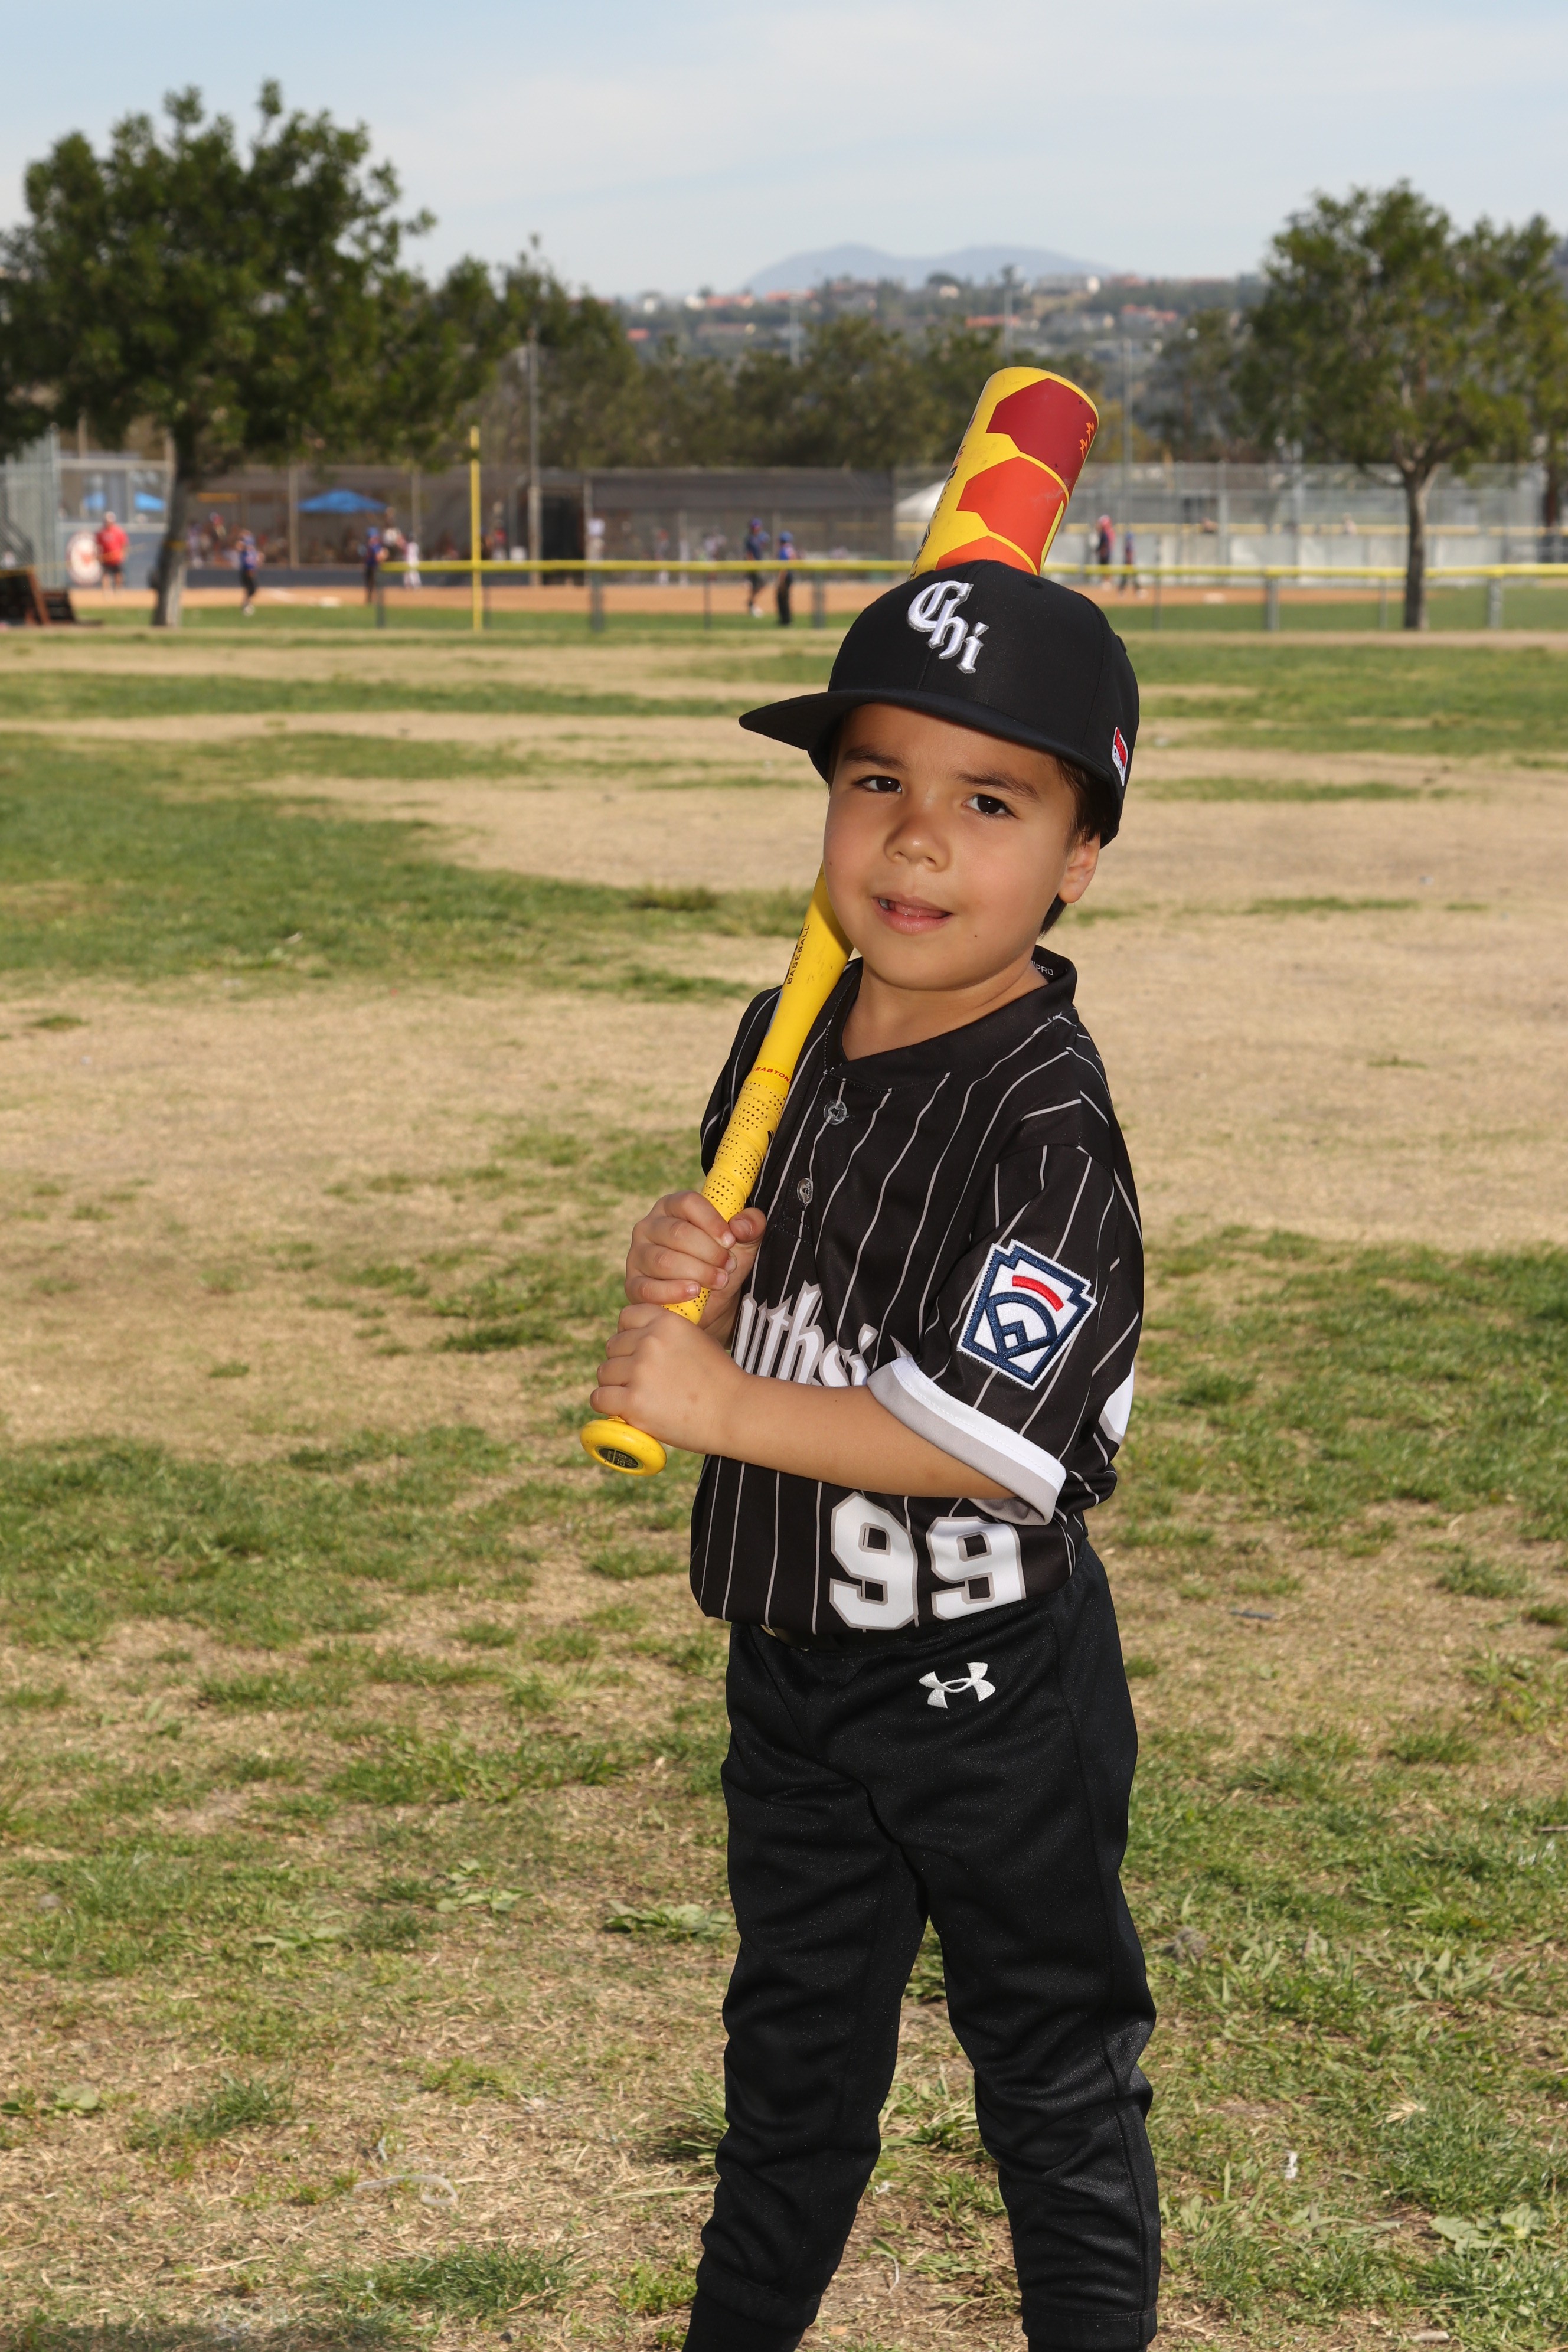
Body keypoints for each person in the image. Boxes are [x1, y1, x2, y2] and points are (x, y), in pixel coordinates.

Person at [594, 559, 1158, 2352]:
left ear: (1077, 855)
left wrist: (715, 1408)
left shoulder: (1046, 1125)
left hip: (986, 1689)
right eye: (875, 780)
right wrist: (693, 1276)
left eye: (991, 801)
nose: (916, 839)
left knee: (1048, 2071)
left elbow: (984, 1441)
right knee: (790, 2077)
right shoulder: (791, 1030)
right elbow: (770, 1284)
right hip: (794, 1669)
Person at [94, 511, 127, 595]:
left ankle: (119, 589)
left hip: (116, 557)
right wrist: (98, 555)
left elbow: (124, 544)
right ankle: (106, 591)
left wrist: (123, 554)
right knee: (106, 575)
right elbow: (97, 545)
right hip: (106, 558)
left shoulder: (118, 531)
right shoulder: (101, 532)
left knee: (118, 574)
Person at [744, 517, 770, 617]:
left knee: (761, 584)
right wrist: (752, 565)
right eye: (755, 527)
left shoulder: (758, 538)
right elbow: (749, 554)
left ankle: (751, 603)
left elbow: (761, 548)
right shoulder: (750, 539)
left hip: (758, 564)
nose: (757, 529)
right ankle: (752, 604)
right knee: (759, 584)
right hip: (754, 566)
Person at [774, 528, 796, 628]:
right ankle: (787, 620)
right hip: (790, 576)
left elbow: (783, 567)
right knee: (785, 598)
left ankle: (786, 621)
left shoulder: (783, 550)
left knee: (782, 598)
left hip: (785, 576)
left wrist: (781, 580)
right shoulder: (791, 549)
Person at [236, 528, 261, 616]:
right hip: (246, 572)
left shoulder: (251, 550)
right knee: (252, 589)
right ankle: (246, 604)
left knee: (251, 590)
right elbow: (239, 546)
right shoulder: (245, 550)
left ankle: (246, 603)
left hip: (249, 571)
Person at [362, 522, 383, 607]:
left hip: (374, 567)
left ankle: (375, 599)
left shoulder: (376, 546)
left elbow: (378, 556)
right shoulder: (370, 546)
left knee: (374, 584)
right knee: (370, 584)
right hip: (369, 566)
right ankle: (370, 599)